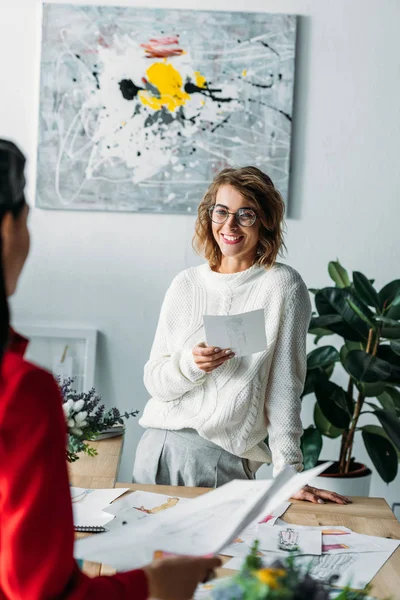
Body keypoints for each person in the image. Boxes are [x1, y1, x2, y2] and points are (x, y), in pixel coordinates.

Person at [0, 139, 220, 600]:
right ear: (9, 229)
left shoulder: (284, 288)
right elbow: (40, 592)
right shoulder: (20, 393)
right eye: (220, 212)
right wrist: (154, 585)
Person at [133, 166, 351, 506]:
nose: (229, 226)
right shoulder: (185, 284)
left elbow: (284, 388)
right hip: (155, 450)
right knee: (142, 560)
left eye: (245, 215)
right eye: (221, 212)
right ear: (209, 216)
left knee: (216, 560)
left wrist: (288, 474)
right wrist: (191, 365)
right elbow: (155, 383)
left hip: (219, 460)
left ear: (265, 221)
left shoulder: (282, 286)